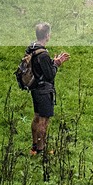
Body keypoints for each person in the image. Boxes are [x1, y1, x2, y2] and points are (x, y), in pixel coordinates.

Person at [26, 22, 69, 156]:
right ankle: (41, 149)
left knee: (36, 117)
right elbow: (50, 74)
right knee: (43, 121)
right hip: (44, 90)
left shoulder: (32, 48)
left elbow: (40, 67)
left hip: (35, 89)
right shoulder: (43, 54)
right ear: (47, 35)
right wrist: (56, 64)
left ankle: (34, 147)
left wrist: (51, 62)